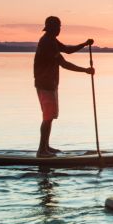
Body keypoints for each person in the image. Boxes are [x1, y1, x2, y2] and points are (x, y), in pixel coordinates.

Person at [34, 16, 95, 157]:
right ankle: (41, 151)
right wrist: (85, 70)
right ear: (53, 28)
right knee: (47, 117)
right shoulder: (47, 42)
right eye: (58, 26)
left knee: (49, 116)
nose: (60, 29)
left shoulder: (51, 40)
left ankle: (46, 147)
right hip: (45, 84)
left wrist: (84, 44)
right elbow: (64, 63)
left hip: (50, 84)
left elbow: (67, 50)